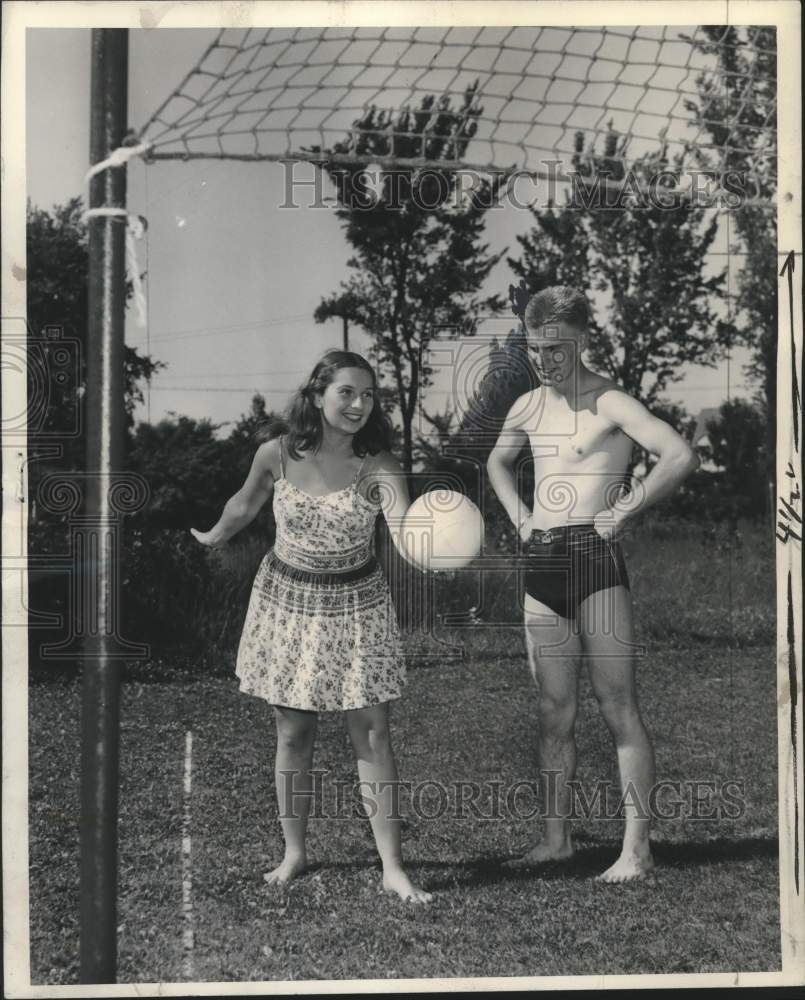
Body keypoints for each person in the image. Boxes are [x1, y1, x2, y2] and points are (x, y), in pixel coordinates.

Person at [191, 349, 431, 903]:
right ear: (318, 393)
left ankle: (393, 867)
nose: (359, 404)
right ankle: (294, 853)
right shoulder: (275, 453)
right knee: (294, 732)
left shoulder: (381, 466)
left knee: (371, 733)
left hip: (357, 606)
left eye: (369, 395)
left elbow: (403, 527)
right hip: (288, 602)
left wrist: (437, 546)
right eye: (347, 392)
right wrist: (212, 535)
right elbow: (245, 503)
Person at [487, 286, 699, 883]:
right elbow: (497, 463)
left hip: (595, 561)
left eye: (555, 348)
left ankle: (637, 850)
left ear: (581, 340)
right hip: (542, 563)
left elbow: (679, 455)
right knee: (554, 711)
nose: (544, 359)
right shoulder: (528, 406)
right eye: (535, 349)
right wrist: (521, 517)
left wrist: (628, 507)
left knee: (618, 707)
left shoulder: (612, 402)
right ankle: (556, 842)